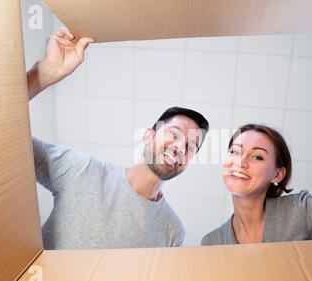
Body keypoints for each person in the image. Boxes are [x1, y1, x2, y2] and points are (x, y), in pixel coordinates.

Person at [27, 28, 209, 250]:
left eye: (191, 146)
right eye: (174, 134)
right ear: (148, 135)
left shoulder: (173, 231)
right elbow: (6, 139)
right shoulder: (82, 171)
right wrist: (45, 71)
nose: (180, 147)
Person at [201, 124, 312, 246]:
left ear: (277, 174)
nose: (240, 162)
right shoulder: (212, 244)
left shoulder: (302, 210)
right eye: (235, 152)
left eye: (257, 157)